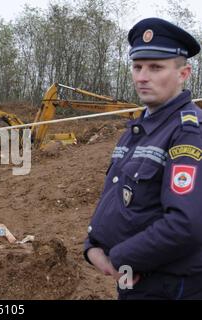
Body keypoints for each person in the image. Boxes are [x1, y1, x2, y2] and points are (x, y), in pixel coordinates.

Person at [83, 17, 202, 299]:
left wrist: (118, 257)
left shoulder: (188, 132)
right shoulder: (138, 129)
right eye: (137, 67)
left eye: (156, 67)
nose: (142, 76)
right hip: (130, 276)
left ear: (184, 74)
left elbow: (185, 225)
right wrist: (92, 245)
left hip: (167, 285)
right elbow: (118, 198)